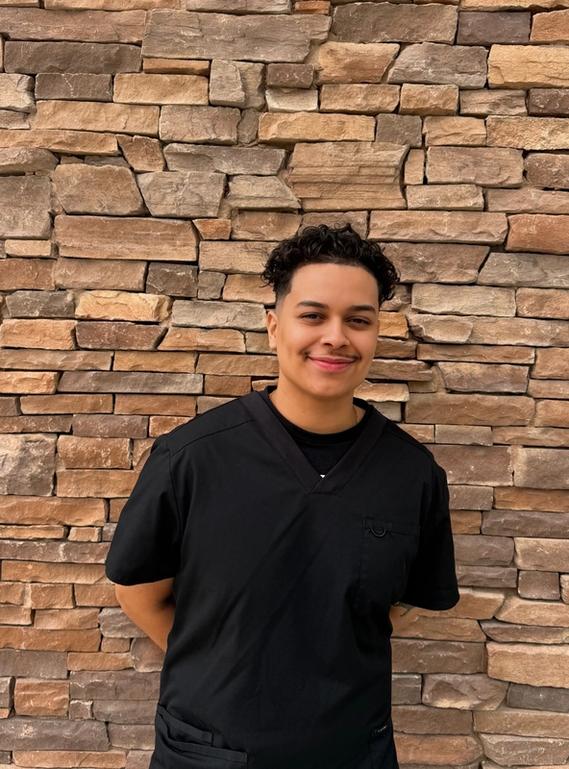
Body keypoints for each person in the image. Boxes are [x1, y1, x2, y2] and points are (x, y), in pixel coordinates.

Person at [105, 222, 460, 769]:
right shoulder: (193, 457)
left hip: (351, 751)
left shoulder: (412, 473)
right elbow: (140, 592)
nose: (336, 337)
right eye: (313, 315)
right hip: (210, 749)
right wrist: (221, 665)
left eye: (358, 321)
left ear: (375, 334)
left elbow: (406, 604)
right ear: (274, 327)